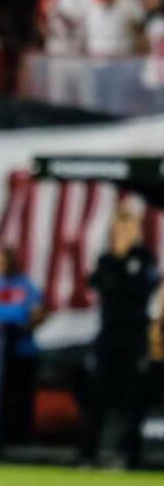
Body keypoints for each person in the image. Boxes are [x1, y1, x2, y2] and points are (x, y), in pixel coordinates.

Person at [82, 198, 161, 469]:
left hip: (135, 337)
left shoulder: (145, 258)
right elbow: (98, 285)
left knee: (133, 398)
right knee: (98, 396)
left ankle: (129, 457)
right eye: (120, 227)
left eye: (128, 227)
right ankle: (87, 455)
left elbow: (140, 290)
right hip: (108, 335)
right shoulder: (106, 259)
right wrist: (117, 261)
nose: (124, 232)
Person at [0, 246, 46, 453]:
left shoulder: (24, 284)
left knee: (21, 397)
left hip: (22, 350)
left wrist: (22, 326)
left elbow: (39, 312)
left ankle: (22, 442)